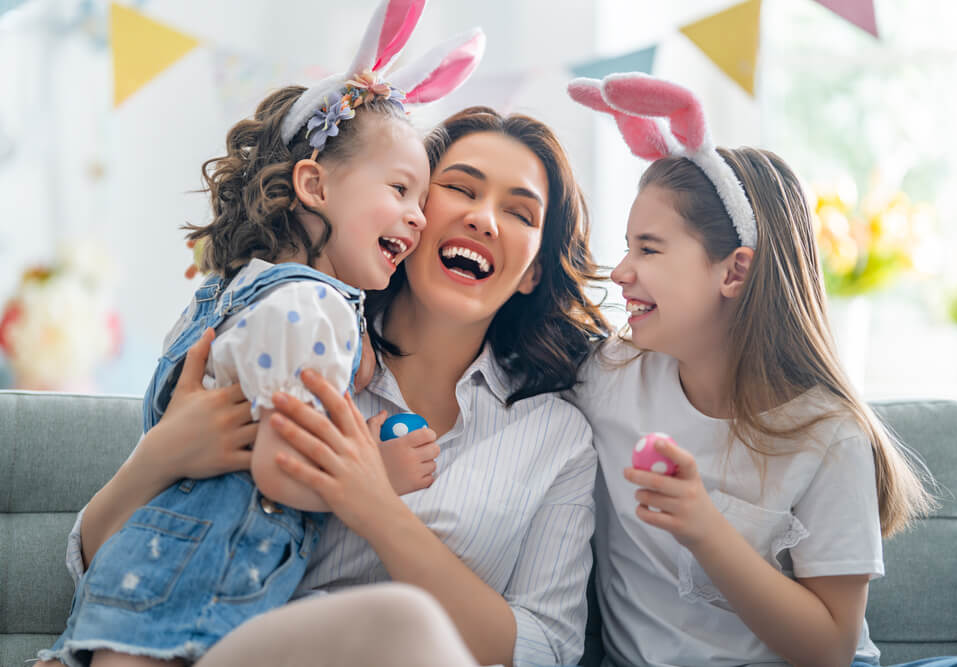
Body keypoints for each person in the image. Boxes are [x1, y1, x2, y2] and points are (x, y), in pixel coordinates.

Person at [54, 103, 612, 667]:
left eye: (519, 213)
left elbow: (545, 649)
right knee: (404, 621)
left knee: (406, 623)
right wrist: (160, 455)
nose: (484, 219)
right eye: (460, 189)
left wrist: (373, 506)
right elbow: (112, 566)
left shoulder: (557, 437)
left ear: (534, 271)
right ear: (411, 209)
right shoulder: (299, 340)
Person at [36, 2, 485, 665]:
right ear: (314, 185)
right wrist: (377, 473)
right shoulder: (313, 309)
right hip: (199, 600)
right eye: (400, 189)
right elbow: (281, 467)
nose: (417, 219)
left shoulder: (223, 297)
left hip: (132, 584)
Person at [565, 73, 957, 667]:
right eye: (626, 246)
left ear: (734, 272)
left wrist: (704, 528)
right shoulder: (611, 377)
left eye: (648, 248)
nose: (620, 271)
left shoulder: (827, 433)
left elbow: (830, 648)